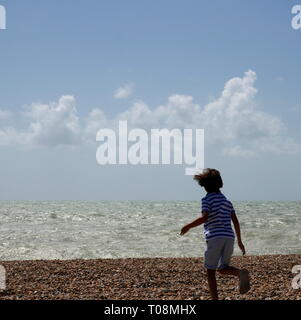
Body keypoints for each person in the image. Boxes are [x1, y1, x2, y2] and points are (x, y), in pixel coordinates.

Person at [180, 168, 250, 300]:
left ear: (204, 187)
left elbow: (204, 218)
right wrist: (240, 241)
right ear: (220, 184)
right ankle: (239, 273)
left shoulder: (207, 200)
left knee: (210, 272)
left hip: (215, 237)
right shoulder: (227, 202)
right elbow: (235, 221)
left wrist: (188, 226)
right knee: (222, 268)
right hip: (229, 237)